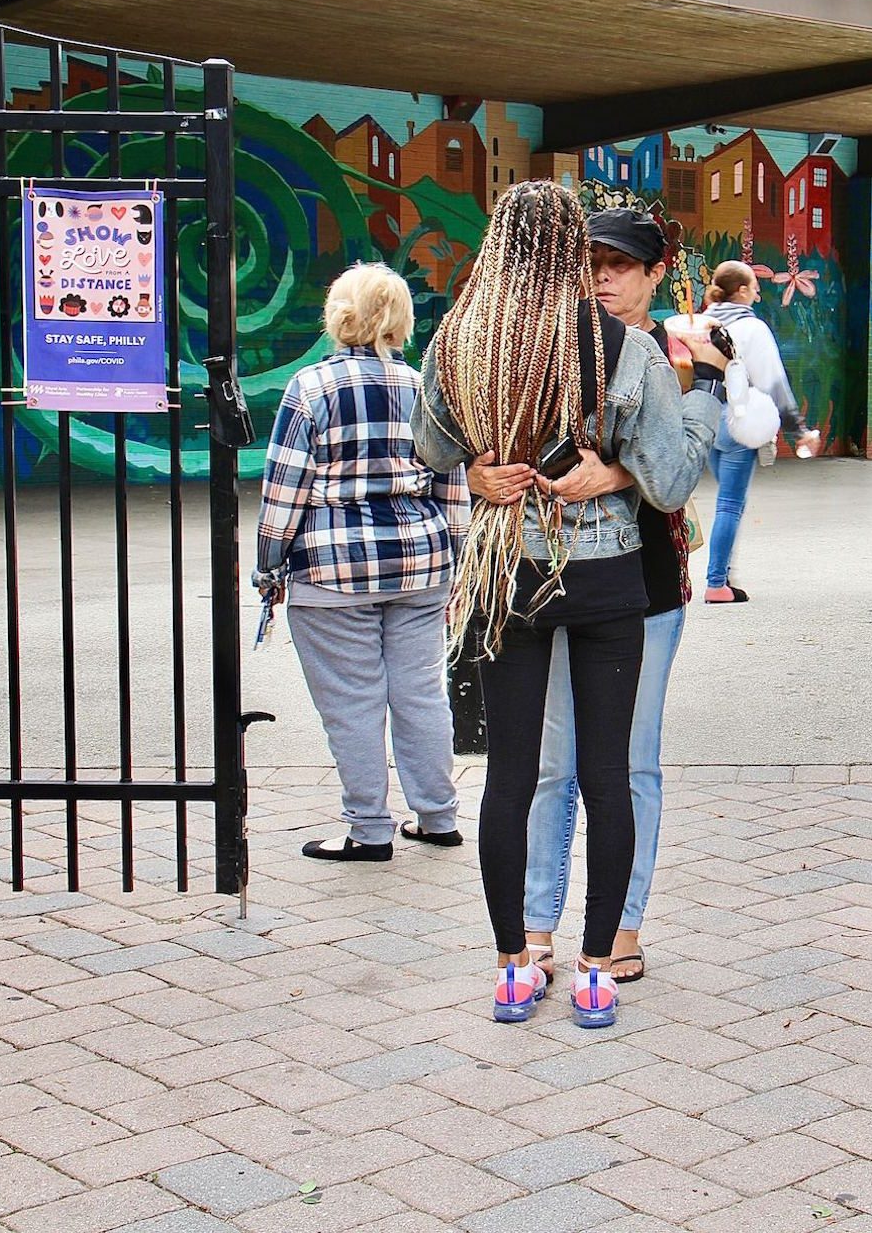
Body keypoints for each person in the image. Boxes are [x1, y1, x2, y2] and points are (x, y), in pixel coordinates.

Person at [413, 181, 724, 1028]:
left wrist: (479, 468)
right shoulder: (626, 351)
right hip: (607, 579)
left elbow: (431, 447)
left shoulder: (460, 341)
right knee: (608, 774)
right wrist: (661, 434)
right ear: (565, 249)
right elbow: (667, 479)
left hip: (507, 573)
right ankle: (595, 969)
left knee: (511, 775)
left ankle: (515, 964)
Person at [521, 208, 719, 985]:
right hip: (552, 574)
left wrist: (625, 472)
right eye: (590, 262)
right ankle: (538, 925)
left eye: (620, 264)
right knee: (549, 765)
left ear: (655, 271)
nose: (603, 276)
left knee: (632, 762)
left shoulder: (681, 350)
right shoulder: (549, 343)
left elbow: (680, 470)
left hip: (643, 584)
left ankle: (623, 926)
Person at [253, 264, 467, 862]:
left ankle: (368, 829)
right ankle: (437, 817)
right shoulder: (429, 388)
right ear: (399, 318)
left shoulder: (311, 388)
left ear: (338, 314)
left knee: (353, 703)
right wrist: (456, 562)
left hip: (332, 570)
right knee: (422, 694)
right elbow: (451, 484)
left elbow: (285, 490)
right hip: (421, 564)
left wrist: (270, 567)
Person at [699, 260, 823, 603]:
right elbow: (773, 382)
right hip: (739, 420)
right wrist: (799, 429)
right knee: (729, 504)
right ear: (740, 291)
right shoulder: (753, 330)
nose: (757, 290)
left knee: (726, 500)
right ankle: (716, 582)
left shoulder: (702, 323)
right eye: (754, 285)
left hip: (703, 418)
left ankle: (723, 575)